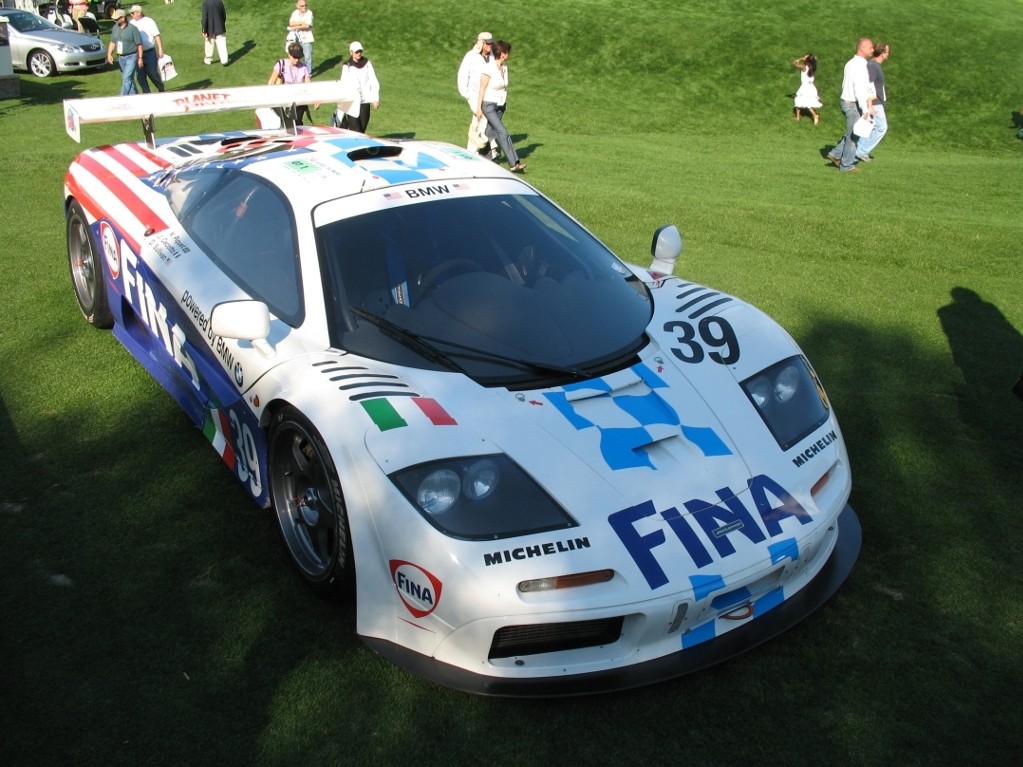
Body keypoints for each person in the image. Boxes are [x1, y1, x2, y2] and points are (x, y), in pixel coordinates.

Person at [826, 37, 875, 173]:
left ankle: (835, 154)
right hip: (852, 104)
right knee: (854, 136)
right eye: (870, 47)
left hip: (847, 101)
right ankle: (846, 166)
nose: (873, 49)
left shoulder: (850, 63)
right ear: (862, 48)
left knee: (852, 132)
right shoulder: (860, 66)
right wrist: (865, 109)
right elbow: (859, 89)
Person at [476, 40, 525, 172]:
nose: (509, 55)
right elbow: (482, 88)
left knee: (489, 132)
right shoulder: (489, 68)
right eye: (507, 52)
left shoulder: (504, 68)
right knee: (502, 132)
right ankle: (514, 163)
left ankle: (482, 157)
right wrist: (478, 108)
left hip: (500, 105)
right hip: (488, 105)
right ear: (502, 53)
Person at [457, 31, 497, 155]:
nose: (490, 46)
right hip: (473, 95)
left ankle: (471, 151)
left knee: (477, 121)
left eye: (491, 43)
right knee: (483, 117)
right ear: (481, 43)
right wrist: (467, 94)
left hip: (488, 95)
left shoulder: (492, 56)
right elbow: (462, 75)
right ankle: (492, 145)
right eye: (487, 43)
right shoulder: (471, 56)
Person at [856, 42, 891, 162]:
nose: (888, 54)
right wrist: (869, 105)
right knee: (881, 127)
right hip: (874, 103)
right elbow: (868, 85)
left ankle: (860, 150)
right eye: (887, 52)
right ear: (882, 53)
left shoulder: (875, 65)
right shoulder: (872, 65)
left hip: (877, 102)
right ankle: (861, 151)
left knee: (871, 127)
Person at [337, 42, 380, 133]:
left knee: (362, 128)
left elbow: (373, 80)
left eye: (360, 51)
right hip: (351, 101)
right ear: (351, 52)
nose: (359, 53)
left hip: (365, 100)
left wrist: (375, 98)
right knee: (356, 130)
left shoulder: (367, 63)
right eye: (356, 52)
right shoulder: (346, 66)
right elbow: (343, 84)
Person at [269, 43, 313, 126]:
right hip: (283, 102)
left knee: (298, 125)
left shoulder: (304, 67)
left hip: (299, 103)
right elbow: (271, 82)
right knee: (285, 126)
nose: (297, 60)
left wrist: (315, 99)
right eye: (294, 57)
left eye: (299, 57)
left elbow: (309, 85)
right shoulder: (280, 65)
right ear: (289, 54)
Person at [106, 9, 143, 96]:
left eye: (117, 19)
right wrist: (109, 54)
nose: (115, 21)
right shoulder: (115, 28)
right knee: (128, 79)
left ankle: (122, 98)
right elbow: (112, 42)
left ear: (123, 18)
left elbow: (139, 44)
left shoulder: (133, 29)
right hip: (121, 57)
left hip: (132, 56)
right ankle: (135, 96)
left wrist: (140, 58)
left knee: (126, 78)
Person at [130, 6, 165, 94]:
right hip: (137, 54)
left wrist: (160, 49)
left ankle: (161, 88)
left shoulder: (149, 21)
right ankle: (146, 93)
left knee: (152, 73)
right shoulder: (131, 23)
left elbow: (156, 35)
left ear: (138, 13)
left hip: (149, 52)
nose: (131, 15)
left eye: (133, 13)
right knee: (140, 76)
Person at [792, 53, 821, 125]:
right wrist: (807, 58)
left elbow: (794, 63)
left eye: (805, 57)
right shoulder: (812, 66)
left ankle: (815, 115)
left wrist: (800, 59)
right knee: (798, 100)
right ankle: (798, 117)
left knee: (806, 103)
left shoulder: (804, 67)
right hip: (811, 86)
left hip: (805, 87)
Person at [288, 1, 314, 73]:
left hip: (306, 38)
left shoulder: (309, 13)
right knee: (296, 55)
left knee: (307, 57)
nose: (304, 7)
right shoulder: (295, 13)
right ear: (297, 6)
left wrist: (296, 26)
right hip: (296, 38)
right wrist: (301, 23)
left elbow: (307, 26)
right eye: (302, 6)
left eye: (305, 5)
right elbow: (290, 24)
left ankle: (308, 73)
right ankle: (297, 71)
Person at [202, 0, 229, 66]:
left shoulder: (205, 2)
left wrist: (204, 29)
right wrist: (221, 24)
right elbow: (224, 15)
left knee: (209, 43)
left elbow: (205, 17)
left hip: (210, 27)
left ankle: (208, 60)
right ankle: (224, 60)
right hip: (220, 26)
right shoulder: (220, 1)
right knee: (222, 43)